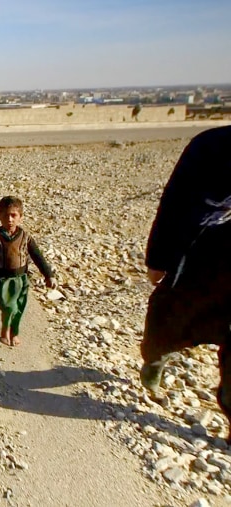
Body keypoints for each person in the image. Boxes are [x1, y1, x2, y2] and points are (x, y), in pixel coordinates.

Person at [139, 126, 231, 433]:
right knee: (170, 313)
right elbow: (174, 202)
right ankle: (155, 360)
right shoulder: (209, 146)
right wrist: (157, 259)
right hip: (195, 245)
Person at [0, 196, 56, 346]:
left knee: (19, 309)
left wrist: (48, 275)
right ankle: (5, 328)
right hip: (2, 281)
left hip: (21, 280)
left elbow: (38, 257)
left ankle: (14, 332)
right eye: (6, 215)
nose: (10, 219)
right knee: (9, 307)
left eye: (14, 215)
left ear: (21, 217)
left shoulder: (26, 238)